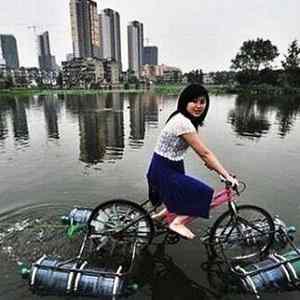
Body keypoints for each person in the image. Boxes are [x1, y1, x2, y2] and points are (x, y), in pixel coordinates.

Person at [146, 84, 238, 239]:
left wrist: (214, 167)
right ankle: (176, 223)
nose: (198, 106)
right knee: (204, 193)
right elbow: (204, 153)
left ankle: (159, 218)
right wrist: (226, 175)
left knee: (181, 196)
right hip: (164, 170)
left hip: (167, 166)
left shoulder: (184, 119)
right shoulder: (183, 122)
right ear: (185, 102)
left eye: (202, 102)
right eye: (194, 101)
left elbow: (202, 153)